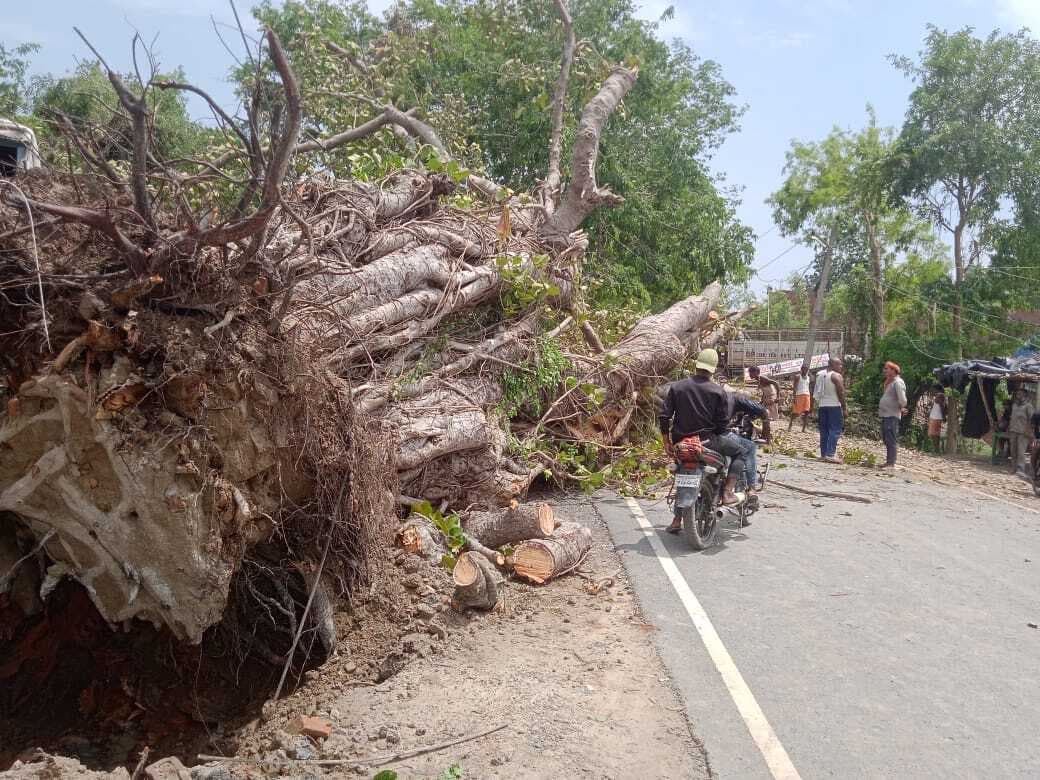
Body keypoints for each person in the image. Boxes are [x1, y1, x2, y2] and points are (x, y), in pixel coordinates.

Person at [660, 348, 747, 532]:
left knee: (683, 476)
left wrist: (666, 441)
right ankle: (728, 492)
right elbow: (722, 426)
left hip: (681, 444)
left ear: (697, 364)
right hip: (707, 442)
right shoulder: (718, 391)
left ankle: (677, 520)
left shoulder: (677, 387)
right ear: (713, 368)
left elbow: (664, 416)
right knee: (741, 451)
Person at [728, 391, 771, 493]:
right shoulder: (740, 402)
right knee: (750, 447)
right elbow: (765, 412)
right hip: (725, 435)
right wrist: (766, 434)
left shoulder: (724, 401)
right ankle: (752, 488)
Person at [814, 357, 846, 463]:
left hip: (822, 406)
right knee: (835, 430)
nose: (841, 367)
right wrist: (844, 408)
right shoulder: (836, 376)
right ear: (833, 365)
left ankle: (824, 454)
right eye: (839, 364)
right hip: (834, 406)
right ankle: (830, 454)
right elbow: (840, 393)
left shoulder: (820, 375)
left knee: (824, 431)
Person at [878, 361, 908, 468]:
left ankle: (891, 462)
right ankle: (889, 461)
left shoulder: (898, 382)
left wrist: (901, 407)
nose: (884, 371)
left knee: (891, 438)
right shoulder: (890, 382)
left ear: (893, 370)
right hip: (886, 414)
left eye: (887, 369)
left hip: (892, 414)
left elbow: (903, 400)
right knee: (886, 438)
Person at [1008, 387, 1035, 475]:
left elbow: (1032, 420)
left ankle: (1021, 469)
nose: (1018, 395)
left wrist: (1029, 431)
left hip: (1023, 432)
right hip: (1013, 430)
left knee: (1021, 451)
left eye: (1020, 394)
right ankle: (1013, 467)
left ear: (1024, 395)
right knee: (1013, 450)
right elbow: (1012, 417)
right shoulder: (1014, 405)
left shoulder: (1028, 406)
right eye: (1017, 394)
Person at [788, 365, 812, 432]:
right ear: (801, 369)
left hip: (807, 395)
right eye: (804, 369)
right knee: (796, 412)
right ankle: (790, 424)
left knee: (807, 411)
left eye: (807, 369)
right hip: (799, 395)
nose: (806, 371)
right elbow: (794, 387)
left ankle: (804, 429)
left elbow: (808, 386)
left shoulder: (808, 377)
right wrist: (794, 397)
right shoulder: (798, 376)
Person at [928, 386, 947, 452]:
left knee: (934, 434)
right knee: (935, 434)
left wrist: (944, 416)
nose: (932, 390)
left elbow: (942, 406)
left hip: (935, 417)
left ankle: (936, 449)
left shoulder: (940, 395)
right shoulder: (940, 396)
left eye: (933, 389)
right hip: (935, 417)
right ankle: (936, 449)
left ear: (937, 389)